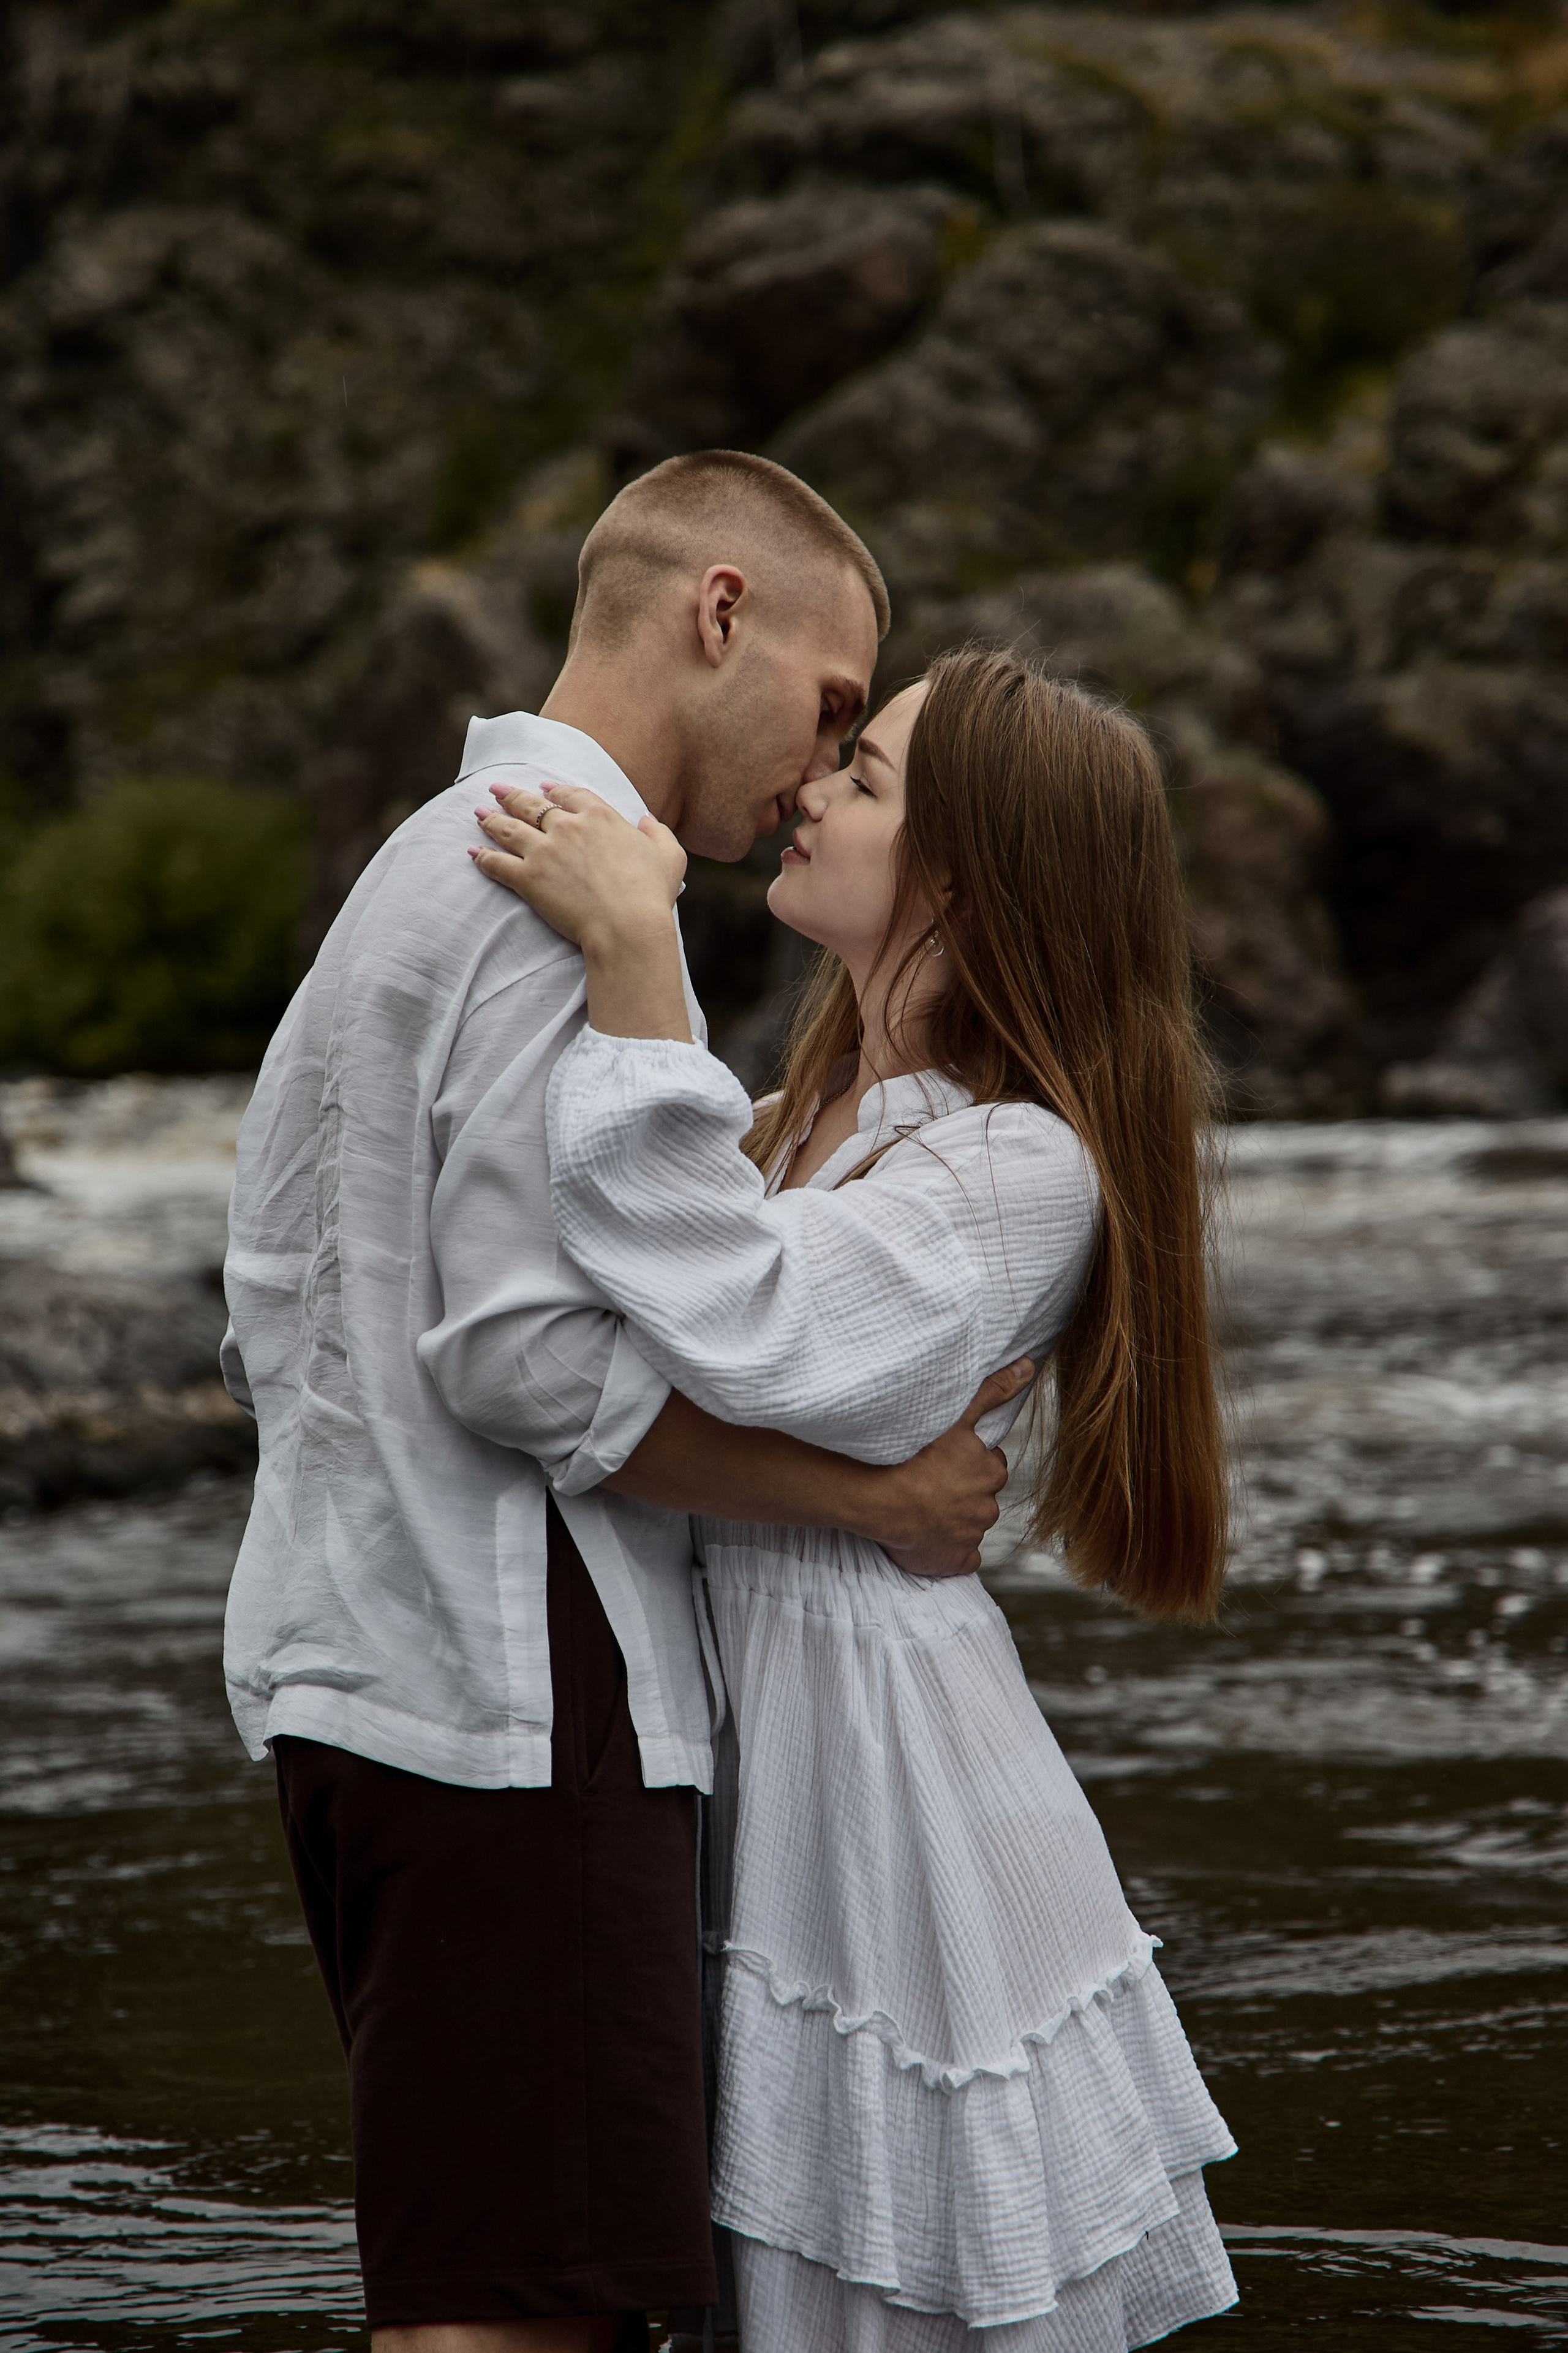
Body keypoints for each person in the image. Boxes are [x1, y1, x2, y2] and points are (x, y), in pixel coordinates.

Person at [219, 453, 1022, 2353]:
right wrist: (873, 1502)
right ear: (717, 614)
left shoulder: (423, 858)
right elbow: (517, 1355)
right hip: (519, 1696)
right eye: (835, 707)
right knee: (517, 2311)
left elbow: (262, 1294)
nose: (819, 776)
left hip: (355, 1661)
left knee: (488, 2271)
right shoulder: (561, 887)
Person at [469, 644, 1240, 2353]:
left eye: (867, 777)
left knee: (886, 2284)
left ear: (965, 876)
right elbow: (615, 1308)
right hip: (767, 1735)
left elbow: (748, 1322)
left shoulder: (1018, 1161)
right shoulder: (796, 1123)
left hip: (884, 1787)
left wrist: (629, 944)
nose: (810, 788)